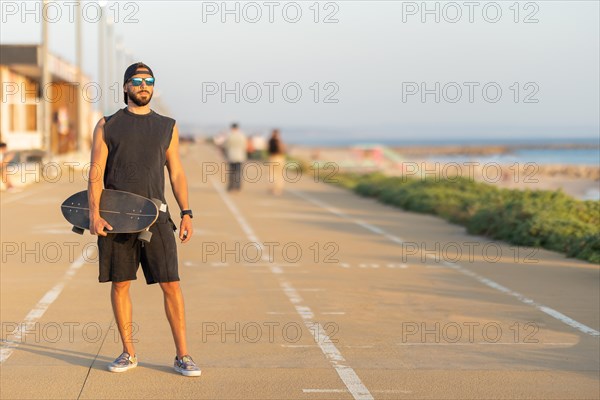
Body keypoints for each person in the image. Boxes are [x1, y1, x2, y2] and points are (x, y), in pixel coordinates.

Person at [88, 62, 200, 377]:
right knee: (121, 284)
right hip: (117, 219)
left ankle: (183, 355)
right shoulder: (107, 125)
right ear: (125, 87)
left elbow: (176, 171)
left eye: (148, 80)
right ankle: (128, 353)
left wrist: (186, 212)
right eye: (136, 80)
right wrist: (94, 213)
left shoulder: (167, 126)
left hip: (157, 216)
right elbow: (96, 172)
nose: (143, 85)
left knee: (171, 285)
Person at [223, 123, 247, 192]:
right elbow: (244, 146)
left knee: (231, 172)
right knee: (238, 172)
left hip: (231, 156)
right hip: (240, 156)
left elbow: (226, 145)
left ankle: (231, 186)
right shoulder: (242, 135)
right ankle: (237, 187)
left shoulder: (229, 135)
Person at [267, 129, 286, 195]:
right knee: (279, 175)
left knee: (273, 175)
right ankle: (278, 189)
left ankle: (274, 188)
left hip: (273, 158)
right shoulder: (278, 141)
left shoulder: (270, 140)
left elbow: (268, 149)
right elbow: (282, 150)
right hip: (279, 158)